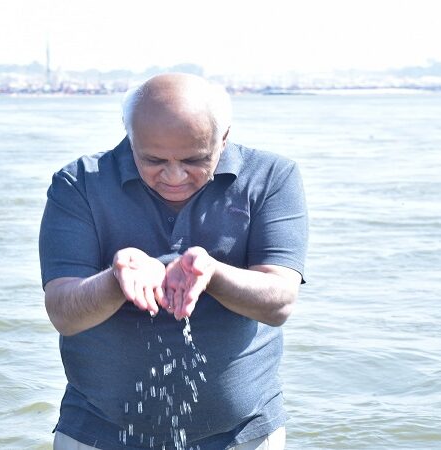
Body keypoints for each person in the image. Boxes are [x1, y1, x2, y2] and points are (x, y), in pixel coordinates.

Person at [39, 73, 308, 450]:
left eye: (195, 160)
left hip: (242, 434)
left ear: (224, 137)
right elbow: (63, 314)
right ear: (129, 135)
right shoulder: (79, 182)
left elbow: (280, 301)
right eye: (153, 160)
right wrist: (117, 279)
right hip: (97, 432)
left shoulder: (271, 177)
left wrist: (213, 273)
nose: (175, 176)